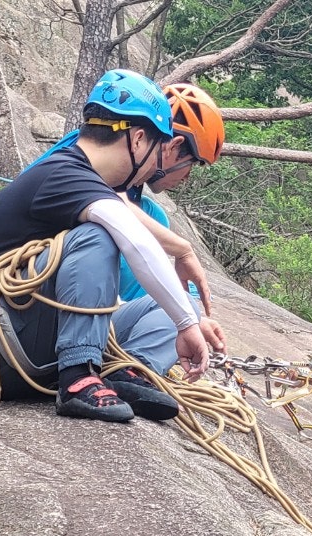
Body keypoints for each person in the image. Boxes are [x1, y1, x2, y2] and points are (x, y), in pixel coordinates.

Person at [0, 70, 211, 423]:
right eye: (160, 149)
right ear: (139, 140)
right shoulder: (64, 173)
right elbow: (133, 239)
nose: (156, 166)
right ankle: (77, 378)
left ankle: (128, 373)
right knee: (99, 237)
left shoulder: (82, 180)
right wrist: (187, 326)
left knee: (183, 303)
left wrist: (187, 319)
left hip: (25, 336)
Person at [112, 82, 229, 376]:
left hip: (101, 323)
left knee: (184, 307)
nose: (187, 178)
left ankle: (135, 374)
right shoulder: (81, 163)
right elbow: (104, 201)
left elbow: (149, 293)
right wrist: (182, 248)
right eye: (192, 165)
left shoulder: (150, 213)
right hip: (49, 318)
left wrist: (189, 321)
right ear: (175, 146)